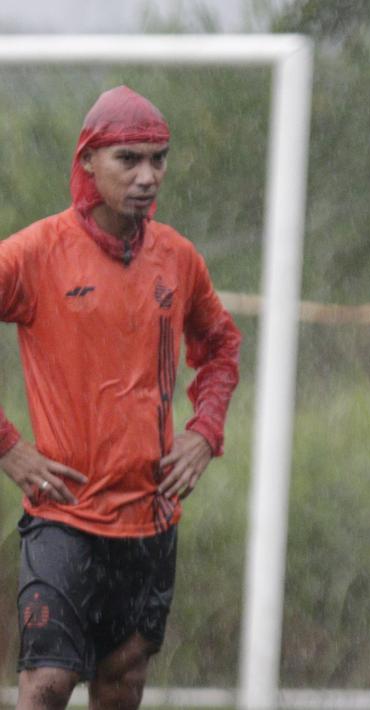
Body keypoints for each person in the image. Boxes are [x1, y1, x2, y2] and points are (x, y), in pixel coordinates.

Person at [0, 86, 242, 710]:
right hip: (64, 515)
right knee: (48, 684)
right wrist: (9, 449)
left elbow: (220, 347)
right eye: (128, 160)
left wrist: (204, 431)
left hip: (148, 517)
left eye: (157, 159)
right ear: (87, 162)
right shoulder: (35, 253)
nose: (146, 177)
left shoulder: (178, 258)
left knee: (123, 682)